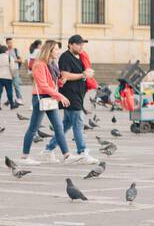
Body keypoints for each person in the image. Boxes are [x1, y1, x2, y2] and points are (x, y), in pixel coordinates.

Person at [45, 35, 97, 163]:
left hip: (79, 95)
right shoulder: (65, 57)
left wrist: (88, 74)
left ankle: (49, 148)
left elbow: (82, 74)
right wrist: (83, 74)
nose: (81, 47)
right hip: (70, 95)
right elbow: (65, 74)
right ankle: (82, 152)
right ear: (70, 44)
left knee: (65, 125)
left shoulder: (81, 57)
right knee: (78, 123)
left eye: (82, 44)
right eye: (78, 44)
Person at [20, 40, 70, 164]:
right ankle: (25, 157)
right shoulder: (39, 65)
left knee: (59, 127)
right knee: (33, 128)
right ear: (49, 50)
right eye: (56, 49)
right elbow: (43, 85)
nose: (58, 52)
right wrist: (60, 96)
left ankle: (67, 156)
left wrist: (60, 82)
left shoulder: (52, 64)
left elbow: (51, 82)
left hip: (50, 98)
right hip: (41, 98)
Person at [0, 42, 17, 110]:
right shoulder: (9, 57)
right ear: (6, 50)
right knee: (9, 91)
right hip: (8, 77)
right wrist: (13, 75)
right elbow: (13, 68)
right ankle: (11, 105)